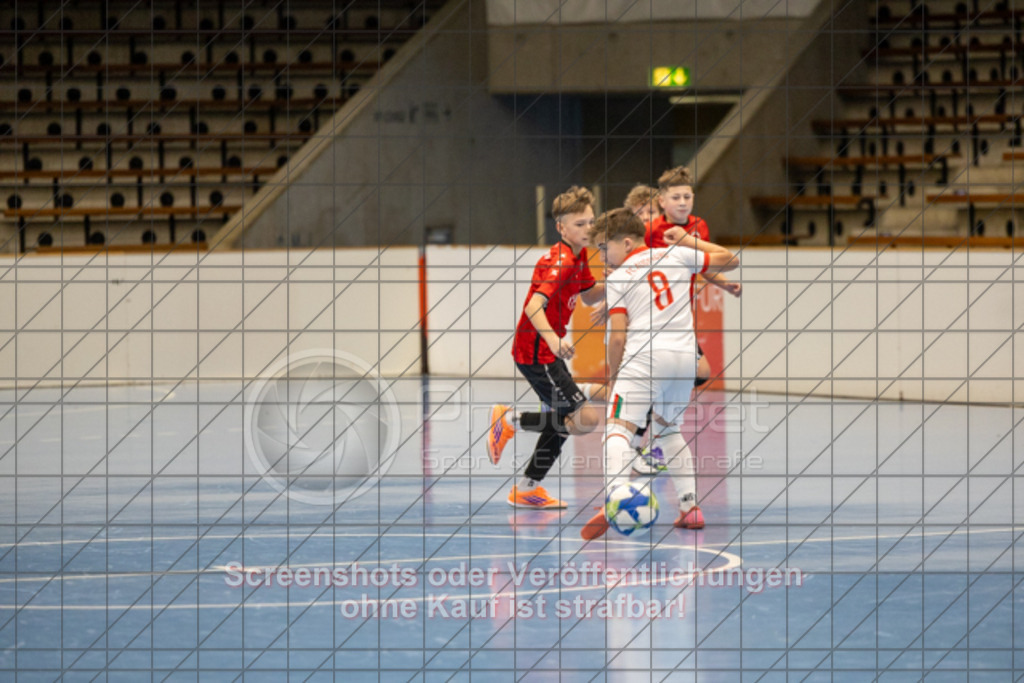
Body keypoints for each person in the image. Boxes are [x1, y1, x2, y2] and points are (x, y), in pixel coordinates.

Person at [579, 207, 739, 539]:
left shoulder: (620, 276)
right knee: (669, 431)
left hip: (644, 357)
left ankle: (616, 499)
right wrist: (688, 240)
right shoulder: (677, 254)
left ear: (625, 242)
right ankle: (690, 506)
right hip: (684, 359)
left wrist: (614, 377)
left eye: (604, 248)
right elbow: (730, 259)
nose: (602, 256)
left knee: (618, 430)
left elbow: (619, 334)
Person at [486, 186, 607, 509]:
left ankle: (527, 488)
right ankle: (510, 420)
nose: (588, 229)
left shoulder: (580, 256)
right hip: (537, 354)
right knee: (585, 420)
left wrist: (621, 284)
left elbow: (589, 293)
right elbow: (533, 307)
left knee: (568, 419)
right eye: (579, 224)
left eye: (591, 222)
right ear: (561, 227)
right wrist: (554, 339)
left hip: (543, 354)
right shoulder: (561, 262)